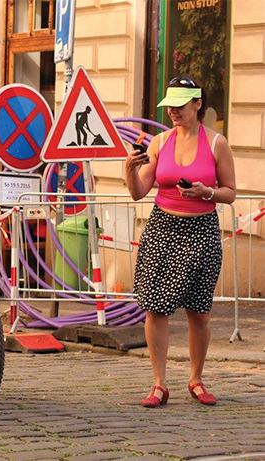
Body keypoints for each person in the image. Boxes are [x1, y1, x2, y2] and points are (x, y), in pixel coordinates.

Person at [126, 76, 236, 408]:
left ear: (197, 104)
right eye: (169, 106)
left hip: (202, 232)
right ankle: (159, 384)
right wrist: (129, 170)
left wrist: (207, 192)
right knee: (155, 307)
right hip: (162, 230)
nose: (172, 111)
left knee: (199, 312)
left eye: (179, 105)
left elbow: (230, 192)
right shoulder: (159, 142)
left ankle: (196, 379)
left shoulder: (217, 143)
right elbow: (138, 192)